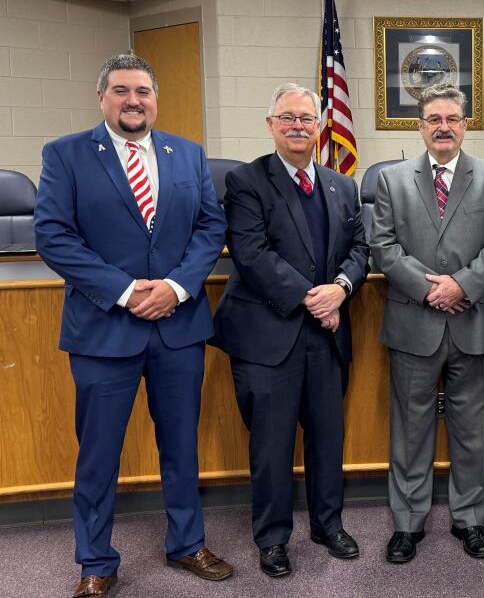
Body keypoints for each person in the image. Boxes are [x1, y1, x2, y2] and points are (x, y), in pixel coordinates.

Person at [33, 53, 231, 598]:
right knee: (99, 452)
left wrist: (175, 287)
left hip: (178, 326)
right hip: (103, 330)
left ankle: (187, 543)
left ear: (155, 99)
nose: (133, 100)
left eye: (142, 90)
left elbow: (210, 227)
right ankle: (95, 562)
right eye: (121, 90)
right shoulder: (67, 155)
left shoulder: (186, 154)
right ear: (102, 98)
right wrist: (125, 291)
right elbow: (53, 236)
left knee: (180, 446)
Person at [212, 84, 369, 577]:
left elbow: (361, 249)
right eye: (287, 117)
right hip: (268, 336)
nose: (298, 125)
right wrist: (313, 297)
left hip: (327, 335)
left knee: (327, 437)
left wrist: (340, 288)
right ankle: (273, 538)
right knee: (272, 445)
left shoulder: (341, 184)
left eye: (306, 117)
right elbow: (251, 254)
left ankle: (328, 524)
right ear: (270, 125)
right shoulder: (246, 181)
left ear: (319, 126)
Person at [370, 83, 484, 563]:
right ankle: (407, 524)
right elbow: (384, 247)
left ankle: (470, 519)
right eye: (434, 119)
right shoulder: (391, 180)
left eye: (452, 119)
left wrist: (463, 286)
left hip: (474, 321)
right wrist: (433, 289)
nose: (444, 127)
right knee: (410, 430)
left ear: (465, 125)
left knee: (473, 430)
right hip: (414, 323)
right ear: (420, 126)